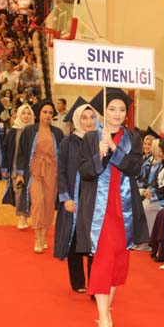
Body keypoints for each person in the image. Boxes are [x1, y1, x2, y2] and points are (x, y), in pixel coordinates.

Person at [76, 88, 149, 327]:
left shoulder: (133, 138)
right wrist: (100, 154)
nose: (117, 114)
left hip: (124, 207)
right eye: (112, 109)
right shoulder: (90, 138)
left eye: (121, 109)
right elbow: (84, 172)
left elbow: (136, 169)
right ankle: (104, 318)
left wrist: (116, 149)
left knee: (118, 261)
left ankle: (105, 310)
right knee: (103, 260)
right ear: (103, 111)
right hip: (99, 208)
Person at [54, 102, 99, 292]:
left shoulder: (100, 141)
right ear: (76, 120)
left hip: (94, 198)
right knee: (74, 240)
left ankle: (96, 285)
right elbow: (61, 172)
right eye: (84, 117)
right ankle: (78, 282)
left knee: (93, 242)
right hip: (74, 196)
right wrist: (66, 198)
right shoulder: (68, 142)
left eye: (92, 117)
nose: (88, 121)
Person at [15, 100, 64, 253]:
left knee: (49, 204)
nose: (47, 115)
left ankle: (44, 235)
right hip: (34, 171)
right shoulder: (29, 131)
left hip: (52, 172)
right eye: (45, 112)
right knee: (37, 202)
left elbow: (63, 155)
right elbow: (21, 153)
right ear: (39, 113)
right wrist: (20, 174)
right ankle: (37, 236)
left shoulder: (58, 133)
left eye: (50, 112)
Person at [1, 103, 34, 228]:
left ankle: (27, 216)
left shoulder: (35, 131)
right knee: (19, 191)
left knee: (30, 193)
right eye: (23, 113)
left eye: (29, 113)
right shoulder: (13, 132)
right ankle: (21, 217)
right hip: (15, 167)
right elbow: (5, 150)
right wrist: (4, 167)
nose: (26, 116)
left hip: (31, 168)